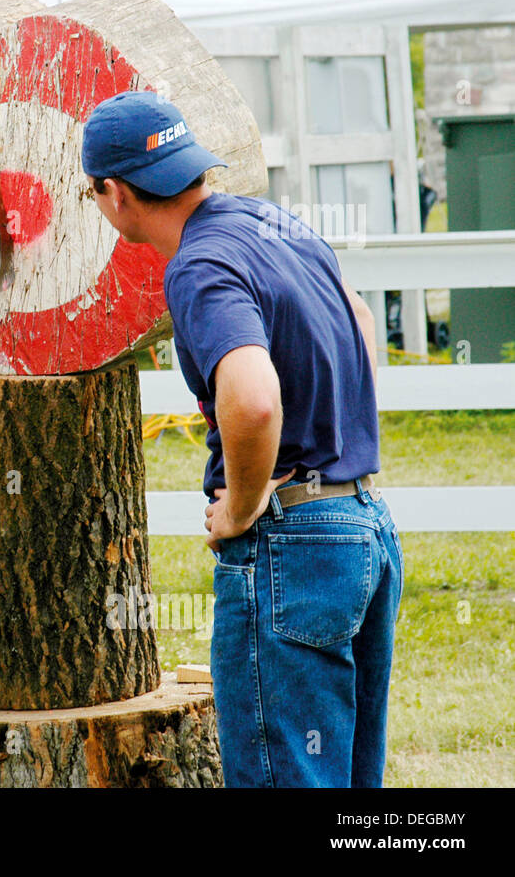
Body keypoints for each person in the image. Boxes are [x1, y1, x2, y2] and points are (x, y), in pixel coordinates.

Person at [82, 91, 403, 788]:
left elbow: (254, 401)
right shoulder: (272, 221)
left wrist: (241, 505)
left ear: (112, 194)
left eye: (92, 194)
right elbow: (358, 318)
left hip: (294, 544)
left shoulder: (198, 266)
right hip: (364, 525)